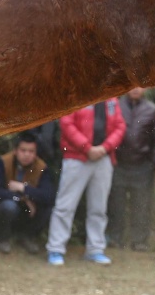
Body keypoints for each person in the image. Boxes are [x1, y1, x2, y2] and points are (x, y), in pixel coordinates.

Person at [47, 99, 125, 266]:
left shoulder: (112, 99)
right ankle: (55, 249)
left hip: (104, 158)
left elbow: (120, 126)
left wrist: (104, 148)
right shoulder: (77, 94)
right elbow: (66, 123)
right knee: (65, 206)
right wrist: (87, 148)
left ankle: (95, 250)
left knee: (99, 208)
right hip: (76, 158)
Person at [106, 86, 155, 252]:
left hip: (142, 166)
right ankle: (115, 238)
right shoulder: (115, 105)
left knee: (141, 206)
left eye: (140, 86)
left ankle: (139, 241)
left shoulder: (153, 110)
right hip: (119, 164)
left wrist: (152, 164)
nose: (136, 89)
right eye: (132, 86)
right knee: (116, 204)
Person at [0, 133, 55, 254]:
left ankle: (27, 237)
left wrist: (23, 188)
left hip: (28, 212)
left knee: (48, 208)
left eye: (31, 151)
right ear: (15, 151)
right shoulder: (2, 162)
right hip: (4, 210)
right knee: (8, 206)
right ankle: (2, 238)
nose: (27, 154)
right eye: (23, 150)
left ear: (35, 153)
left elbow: (48, 196)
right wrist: (20, 198)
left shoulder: (42, 167)